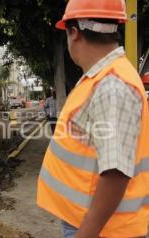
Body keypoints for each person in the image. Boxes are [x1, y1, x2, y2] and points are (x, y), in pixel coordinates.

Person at [37, 1, 149, 237]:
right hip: (87, 220)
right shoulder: (100, 78)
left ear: (74, 33)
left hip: (101, 230)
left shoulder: (112, 86)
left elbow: (116, 172)